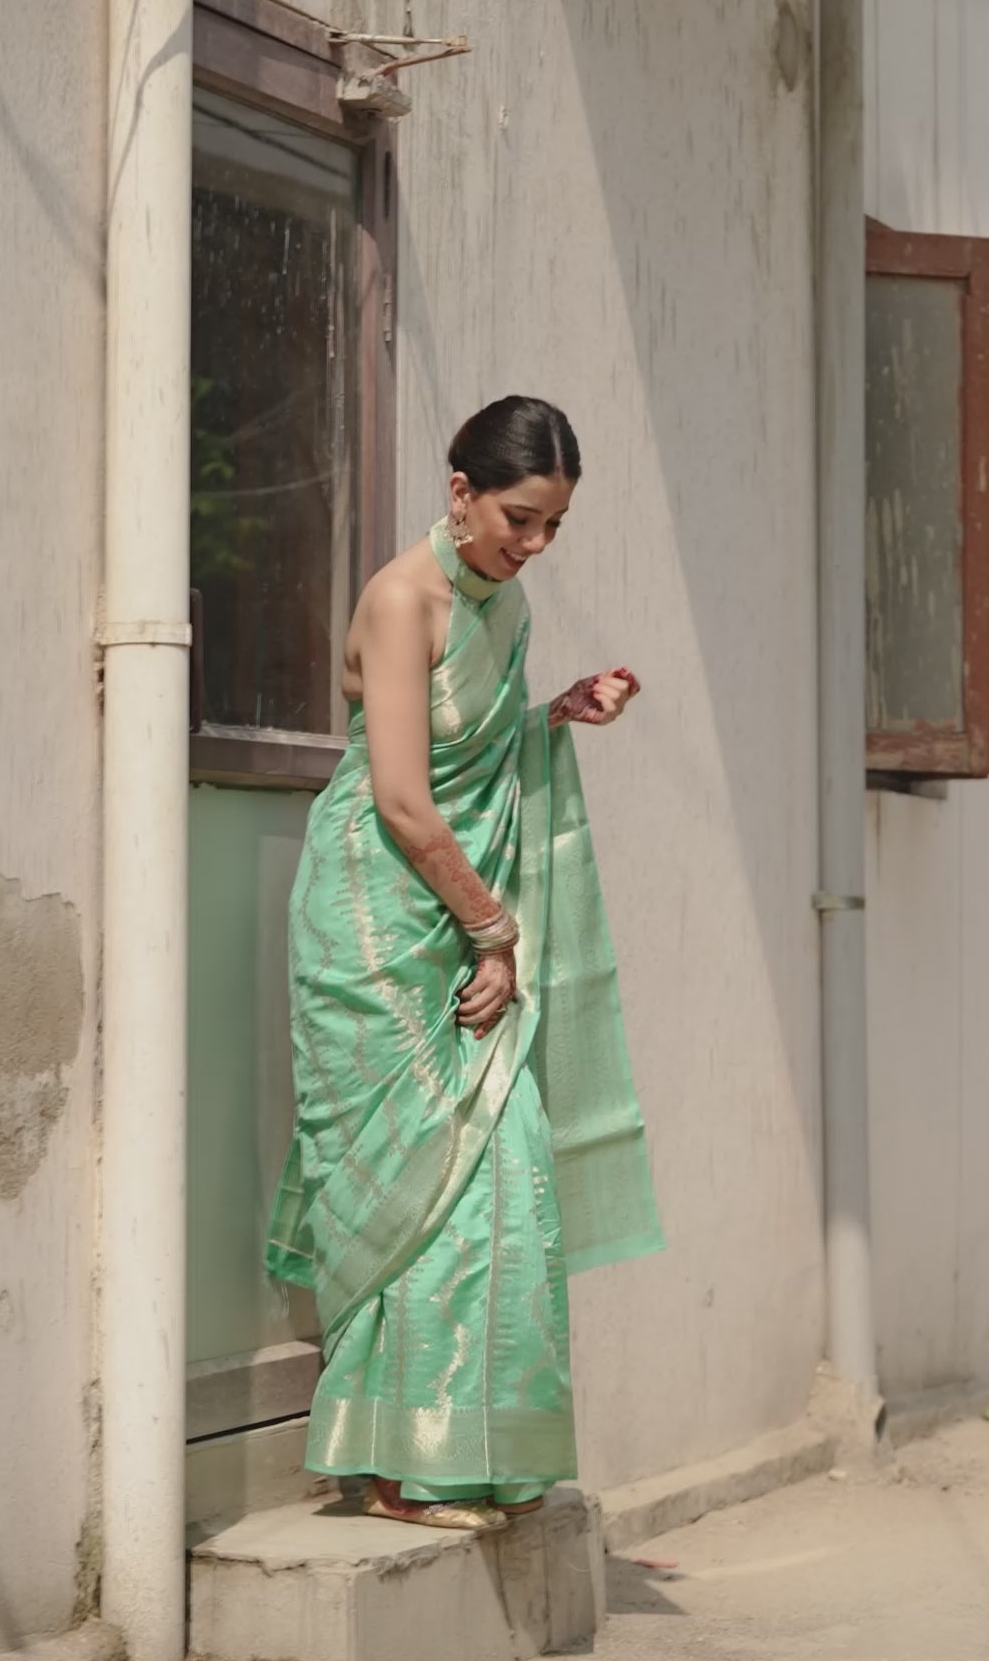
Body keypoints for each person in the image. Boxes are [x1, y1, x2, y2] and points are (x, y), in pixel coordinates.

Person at [265, 395, 662, 1532]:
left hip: (453, 900)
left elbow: (466, 749)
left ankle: (458, 1450)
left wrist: (554, 716)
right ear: (459, 490)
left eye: (553, 527)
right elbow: (398, 796)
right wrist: (495, 928)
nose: (533, 545)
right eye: (518, 518)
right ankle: (388, 1466)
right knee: (417, 1180)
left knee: (504, 1169)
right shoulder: (404, 598)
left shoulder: (507, 601)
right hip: (374, 918)